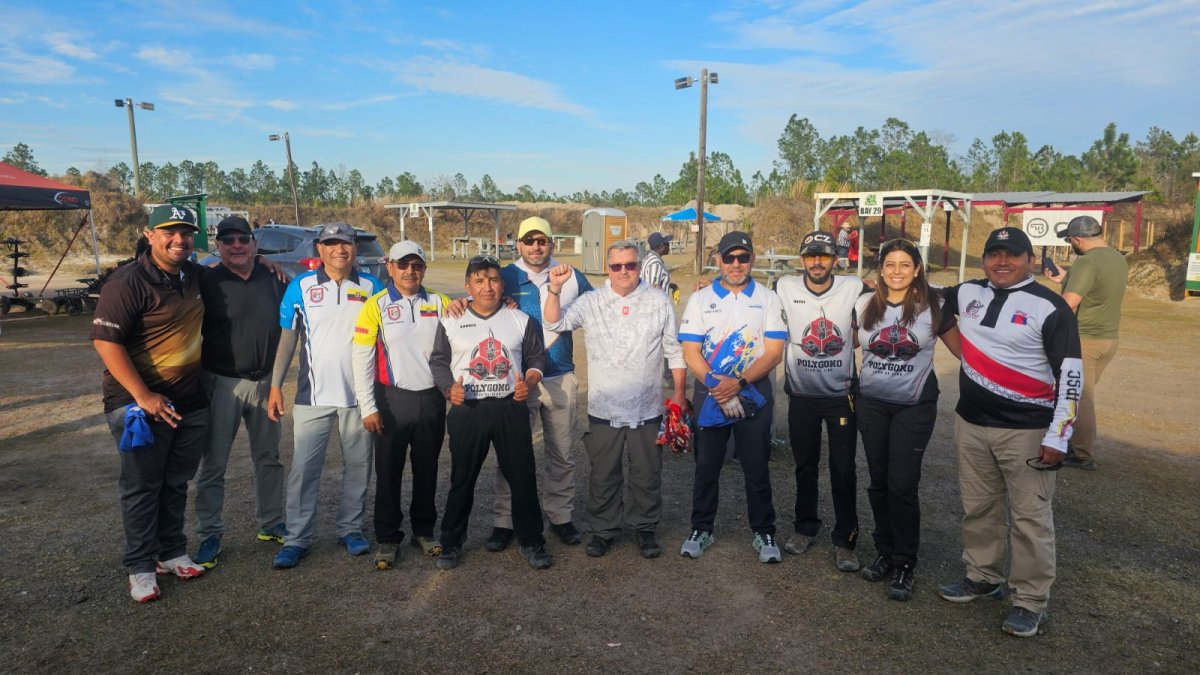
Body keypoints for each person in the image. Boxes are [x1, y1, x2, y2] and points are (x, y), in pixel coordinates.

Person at [937, 226, 1081, 638]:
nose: (1002, 262)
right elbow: (931, 302)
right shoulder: (967, 292)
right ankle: (983, 577)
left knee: (1030, 518)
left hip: (1027, 430)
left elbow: (1070, 374)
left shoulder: (1051, 307)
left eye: (1012, 255)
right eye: (994, 254)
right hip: (971, 422)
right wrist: (969, 360)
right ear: (983, 259)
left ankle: (1031, 600)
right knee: (978, 506)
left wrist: (1059, 435)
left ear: (1030, 259)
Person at [90, 204, 209, 603]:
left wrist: (268, 267)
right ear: (149, 234)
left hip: (189, 404)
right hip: (139, 406)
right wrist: (144, 395)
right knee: (142, 487)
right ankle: (141, 566)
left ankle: (171, 551)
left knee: (176, 482)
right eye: (169, 232)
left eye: (186, 232)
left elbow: (236, 274)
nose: (179, 239)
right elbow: (106, 342)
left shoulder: (193, 274)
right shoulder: (127, 282)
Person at [542, 241, 687, 559]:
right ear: (608, 268)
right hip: (603, 407)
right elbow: (555, 323)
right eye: (617, 266)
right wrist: (554, 290)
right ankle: (603, 531)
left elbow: (674, 349)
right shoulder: (592, 301)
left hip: (647, 407)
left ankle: (645, 528)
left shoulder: (658, 300)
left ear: (639, 266)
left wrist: (678, 393)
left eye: (630, 265)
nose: (624, 271)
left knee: (646, 474)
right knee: (603, 474)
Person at [267, 222, 384, 569]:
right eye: (331, 243)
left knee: (359, 467)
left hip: (359, 398)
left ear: (354, 248)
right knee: (304, 470)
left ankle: (350, 529)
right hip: (312, 397)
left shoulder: (372, 286)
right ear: (319, 249)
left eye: (345, 243)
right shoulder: (300, 286)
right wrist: (275, 386)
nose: (339, 249)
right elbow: (288, 338)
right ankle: (297, 538)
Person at [853, 239, 960, 601]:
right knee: (878, 482)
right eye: (890, 264)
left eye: (904, 264)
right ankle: (884, 551)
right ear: (881, 269)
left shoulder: (936, 304)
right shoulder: (864, 303)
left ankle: (905, 562)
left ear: (917, 269)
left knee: (902, 484)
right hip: (871, 404)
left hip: (913, 407)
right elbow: (842, 341)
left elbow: (966, 351)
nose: (896, 271)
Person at [430, 255, 552, 570]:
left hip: (510, 407)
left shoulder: (520, 319)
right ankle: (451, 542)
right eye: (480, 280)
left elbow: (537, 358)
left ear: (502, 284)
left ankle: (532, 541)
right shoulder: (451, 319)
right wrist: (448, 389)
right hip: (468, 408)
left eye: (494, 279)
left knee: (522, 477)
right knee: (462, 479)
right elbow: (439, 363)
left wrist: (531, 379)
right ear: (468, 285)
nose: (488, 286)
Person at [678, 231, 787, 563]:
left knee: (756, 467)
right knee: (707, 467)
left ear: (752, 259)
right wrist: (717, 386)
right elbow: (690, 350)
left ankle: (764, 531)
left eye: (743, 257)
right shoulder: (700, 299)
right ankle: (701, 528)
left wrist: (737, 383)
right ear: (718, 261)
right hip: (710, 395)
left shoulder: (768, 298)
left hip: (753, 394)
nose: (736, 264)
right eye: (729, 258)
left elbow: (774, 353)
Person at [486, 216, 593, 551]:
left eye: (542, 241)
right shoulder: (505, 276)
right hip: (517, 378)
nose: (536, 247)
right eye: (529, 241)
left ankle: (560, 516)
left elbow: (604, 305)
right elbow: (479, 306)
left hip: (560, 373)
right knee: (513, 454)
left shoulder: (572, 276)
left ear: (551, 243)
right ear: (518, 244)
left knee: (561, 453)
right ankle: (505, 519)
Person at [192, 216, 288, 570]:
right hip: (222, 383)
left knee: (269, 458)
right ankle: (210, 533)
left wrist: (267, 262)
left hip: (267, 384)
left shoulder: (274, 277)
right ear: (218, 246)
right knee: (214, 464)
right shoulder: (207, 280)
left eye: (242, 239)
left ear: (254, 243)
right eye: (227, 240)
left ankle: (272, 522)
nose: (236, 246)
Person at [775, 231, 871, 572]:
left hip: (840, 395)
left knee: (843, 469)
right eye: (811, 256)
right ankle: (804, 527)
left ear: (836, 260)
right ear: (802, 259)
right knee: (805, 465)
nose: (818, 262)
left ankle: (845, 539)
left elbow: (892, 300)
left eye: (824, 256)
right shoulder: (783, 286)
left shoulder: (854, 286)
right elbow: (750, 298)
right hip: (801, 394)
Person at [351, 241, 450, 569]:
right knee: (389, 472)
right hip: (392, 400)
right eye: (403, 265)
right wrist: (368, 406)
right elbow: (362, 355)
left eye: (417, 265)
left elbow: (472, 322)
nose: (411, 271)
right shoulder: (375, 305)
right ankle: (388, 537)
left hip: (432, 400)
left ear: (423, 268)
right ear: (389, 266)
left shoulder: (439, 302)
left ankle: (423, 531)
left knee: (427, 469)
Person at [1045, 215, 1126, 471]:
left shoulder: (1087, 262)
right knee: (1082, 395)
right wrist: (1066, 278)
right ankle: (1078, 446)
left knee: (1078, 396)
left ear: (1077, 239)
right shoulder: (1117, 258)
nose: (1071, 245)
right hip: (1108, 339)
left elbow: (1069, 303)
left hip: (1086, 340)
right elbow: (1097, 289)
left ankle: (1081, 453)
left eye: (1070, 241)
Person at [640, 231, 678, 296]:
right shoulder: (655, 264)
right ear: (661, 246)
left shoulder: (649, 257)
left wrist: (669, 285)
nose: (669, 245)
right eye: (667, 243)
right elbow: (652, 291)